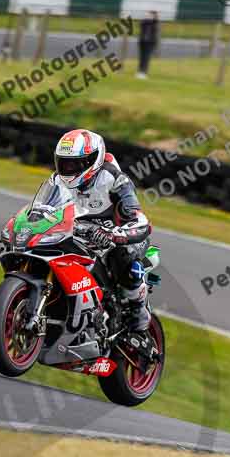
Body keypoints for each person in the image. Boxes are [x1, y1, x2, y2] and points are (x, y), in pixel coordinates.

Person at [52, 128, 154, 369]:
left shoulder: (115, 179)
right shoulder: (57, 181)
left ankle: (139, 317)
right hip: (83, 238)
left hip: (120, 238)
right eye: (64, 164)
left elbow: (139, 219)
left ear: (92, 160)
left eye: (74, 164)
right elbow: (44, 210)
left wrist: (114, 235)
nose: (68, 170)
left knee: (123, 257)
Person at [136, 10, 159, 79]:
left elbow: (155, 23)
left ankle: (144, 72)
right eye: (149, 15)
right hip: (143, 42)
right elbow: (141, 24)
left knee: (146, 57)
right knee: (141, 57)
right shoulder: (144, 23)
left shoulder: (154, 23)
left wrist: (154, 18)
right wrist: (147, 19)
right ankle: (140, 71)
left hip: (150, 43)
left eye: (151, 15)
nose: (150, 16)